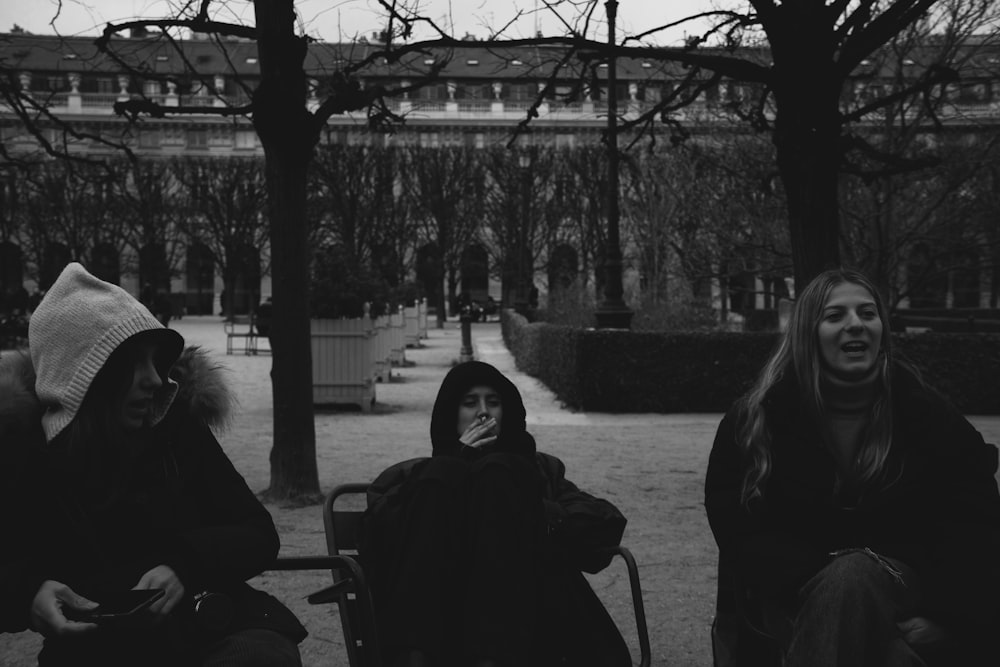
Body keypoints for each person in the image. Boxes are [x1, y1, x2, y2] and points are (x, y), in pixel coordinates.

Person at [0, 263, 305, 666]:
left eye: (155, 361)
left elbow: (257, 533)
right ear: (84, 375)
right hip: (95, 648)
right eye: (134, 364)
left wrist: (184, 565)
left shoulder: (176, 428)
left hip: (210, 631)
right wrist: (28, 596)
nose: (156, 380)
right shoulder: (24, 452)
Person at [705, 268, 1000, 667]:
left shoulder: (927, 415)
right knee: (883, 643)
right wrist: (821, 582)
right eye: (835, 316)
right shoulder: (755, 420)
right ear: (808, 332)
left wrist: (945, 620)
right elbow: (739, 525)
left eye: (867, 313)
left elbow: (974, 522)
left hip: (904, 583)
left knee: (853, 577)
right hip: (792, 589)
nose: (856, 324)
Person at [360, 361, 630, 667]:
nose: (483, 412)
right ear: (452, 414)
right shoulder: (422, 476)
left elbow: (601, 522)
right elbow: (381, 537)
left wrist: (525, 511)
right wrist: (453, 467)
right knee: (448, 475)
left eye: (494, 402)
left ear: (507, 412)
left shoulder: (539, 470)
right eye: (470, 402)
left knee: (498, 475)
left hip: (533, 631)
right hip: (439, 636)